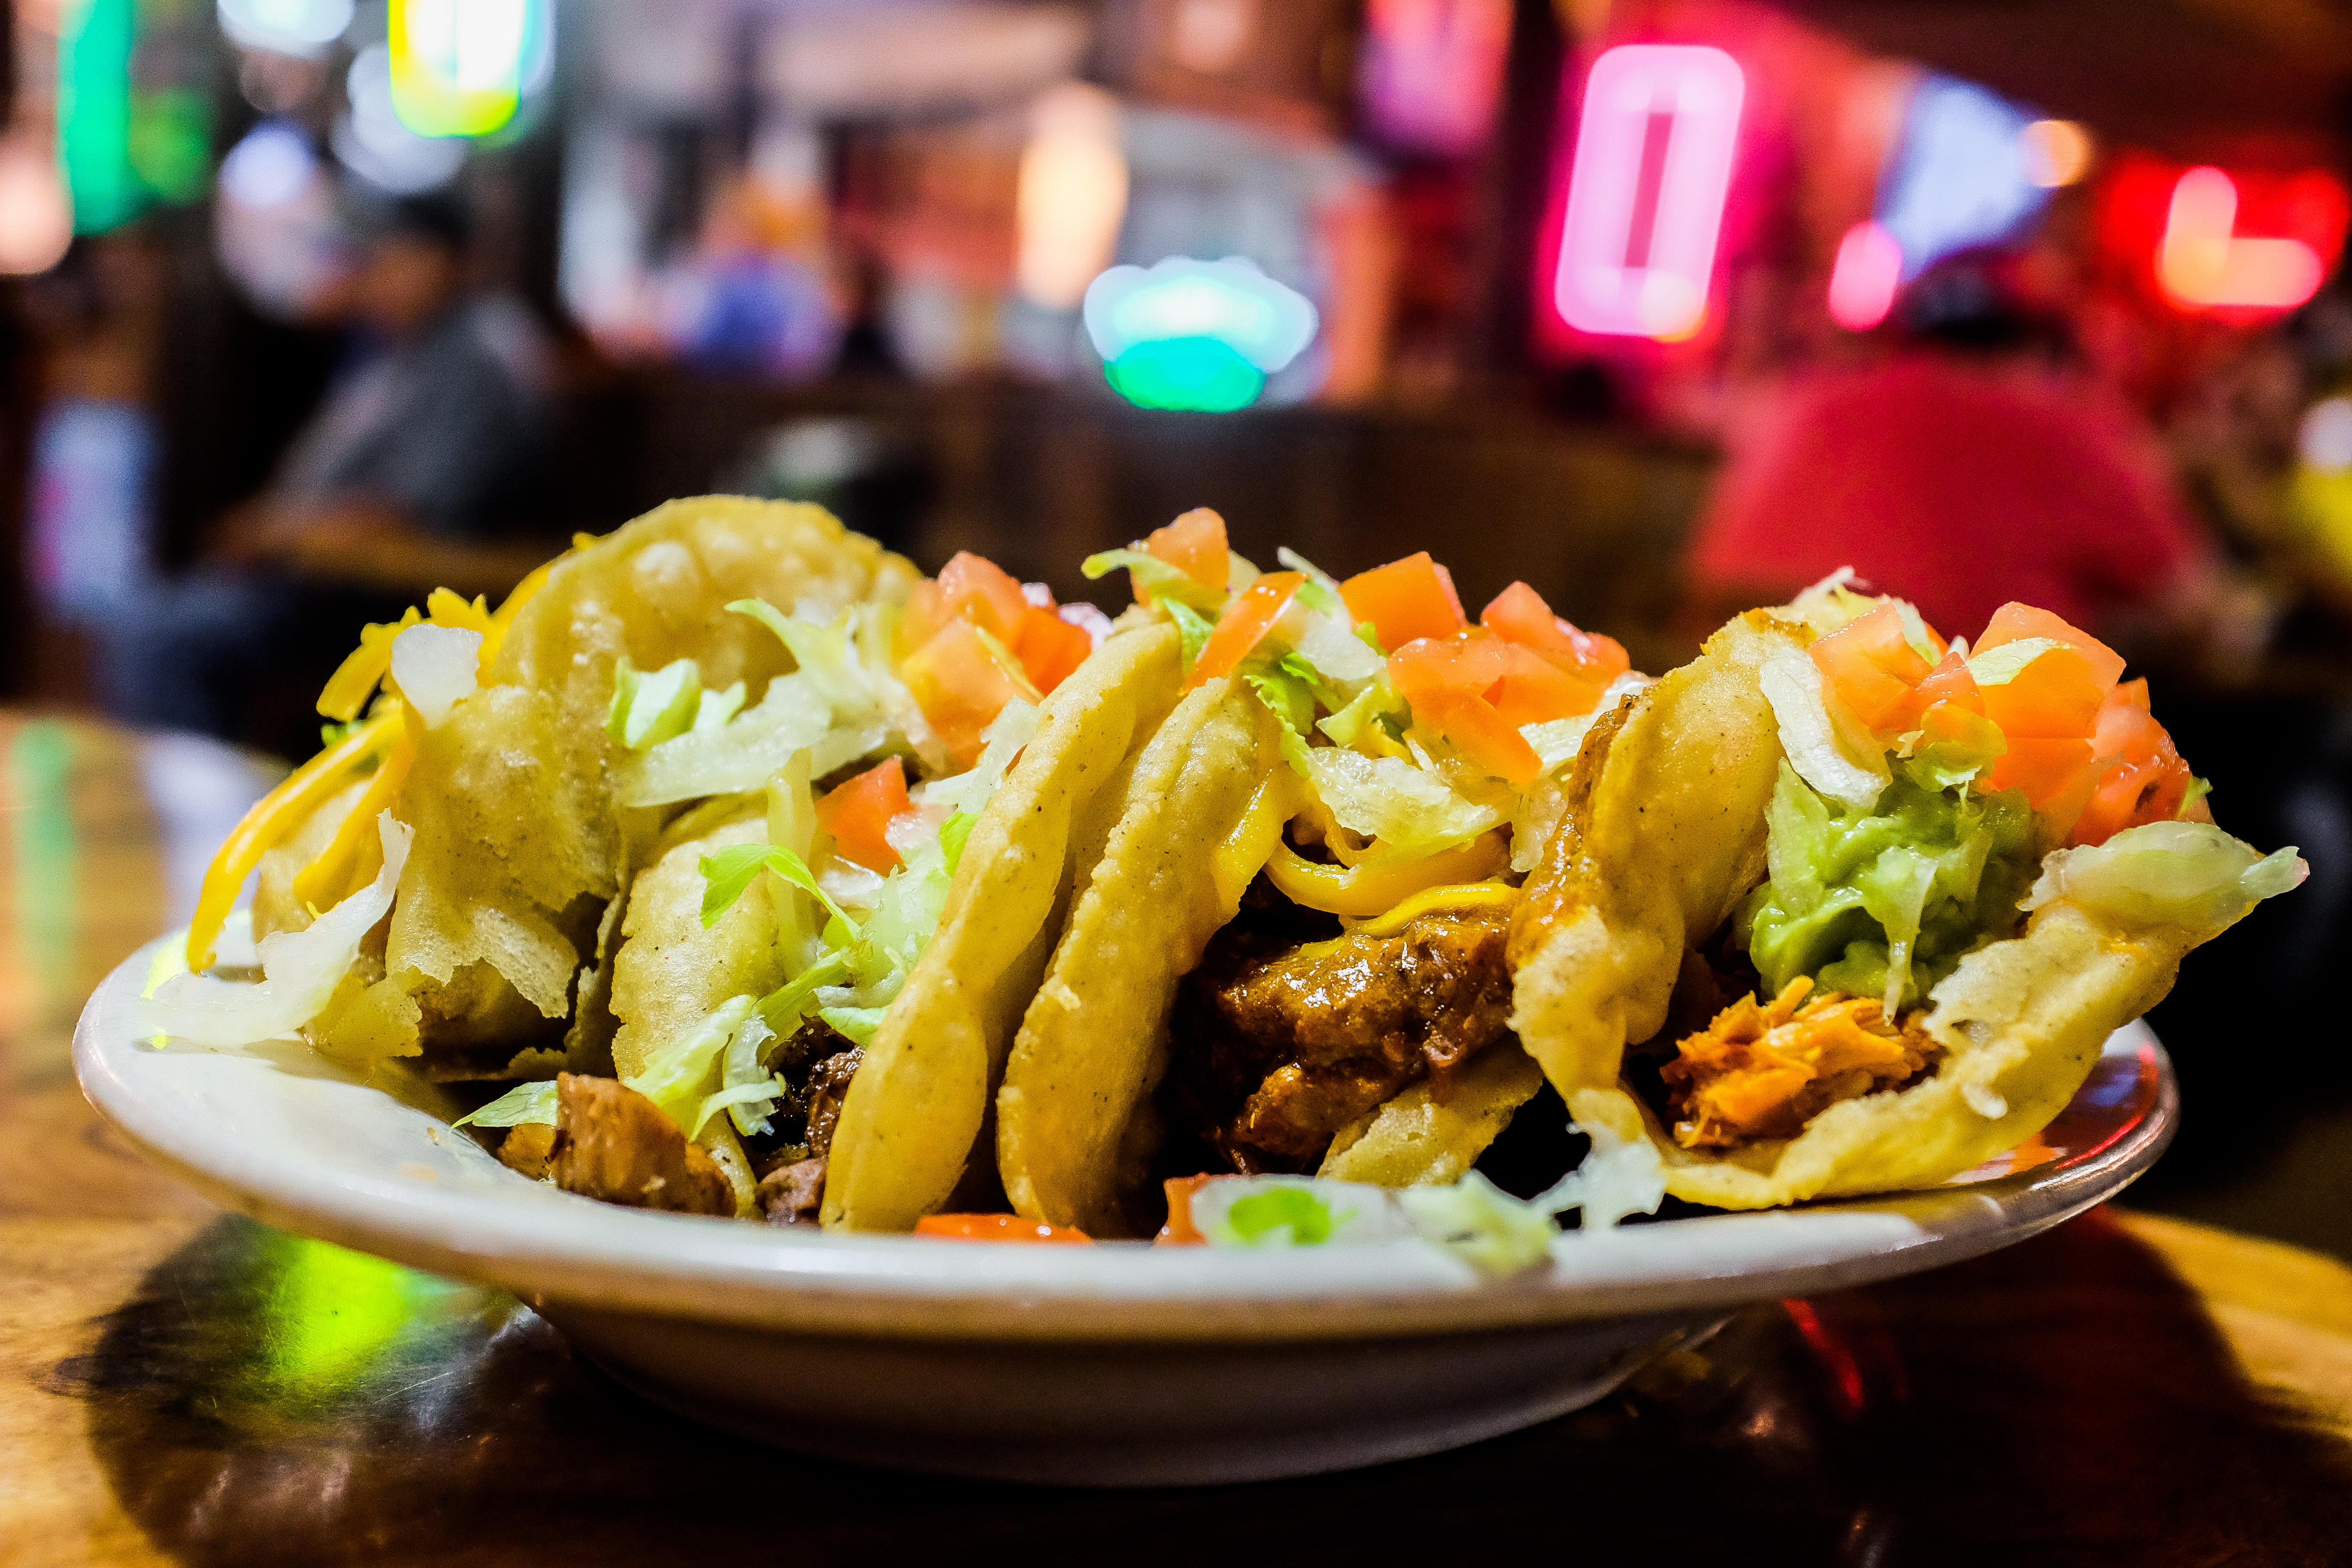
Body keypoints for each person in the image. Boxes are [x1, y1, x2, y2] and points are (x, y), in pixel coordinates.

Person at [106, 189, 556, 742]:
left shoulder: (477, 356)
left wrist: (280, 532)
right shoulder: (399, 349)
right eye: (374, 256)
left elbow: (407, 513)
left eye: (398, 255)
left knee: (160, 635)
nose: (376, 273)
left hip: (385, 599)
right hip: (320, 580)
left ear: (458, 258)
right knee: (158, 615)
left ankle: (213, 821)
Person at [1681, 253, 2261, 667]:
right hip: (1935, 746)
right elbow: (2209, 617)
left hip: (1716, 686)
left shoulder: (1802, 399)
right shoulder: (2067, 422)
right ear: (2042, 347)